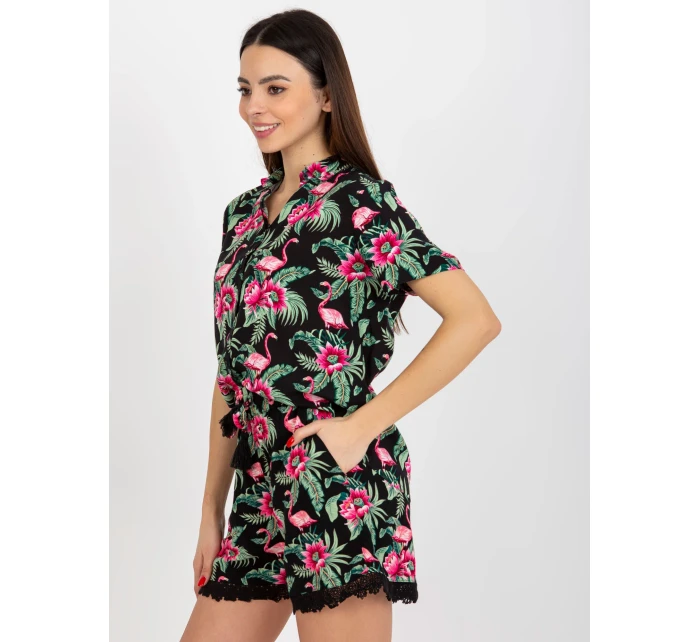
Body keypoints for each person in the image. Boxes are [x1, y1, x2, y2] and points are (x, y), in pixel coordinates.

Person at [180, 9, 501, 642]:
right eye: (245, 89)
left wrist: (360, 427)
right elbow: (233, 368)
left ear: (327, 96)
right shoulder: (243, 216)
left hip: (336, 481)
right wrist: (211, 508)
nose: (254, 107)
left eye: (276, 88)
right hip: (257, 492)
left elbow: (475, 319)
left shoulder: (361, 205)